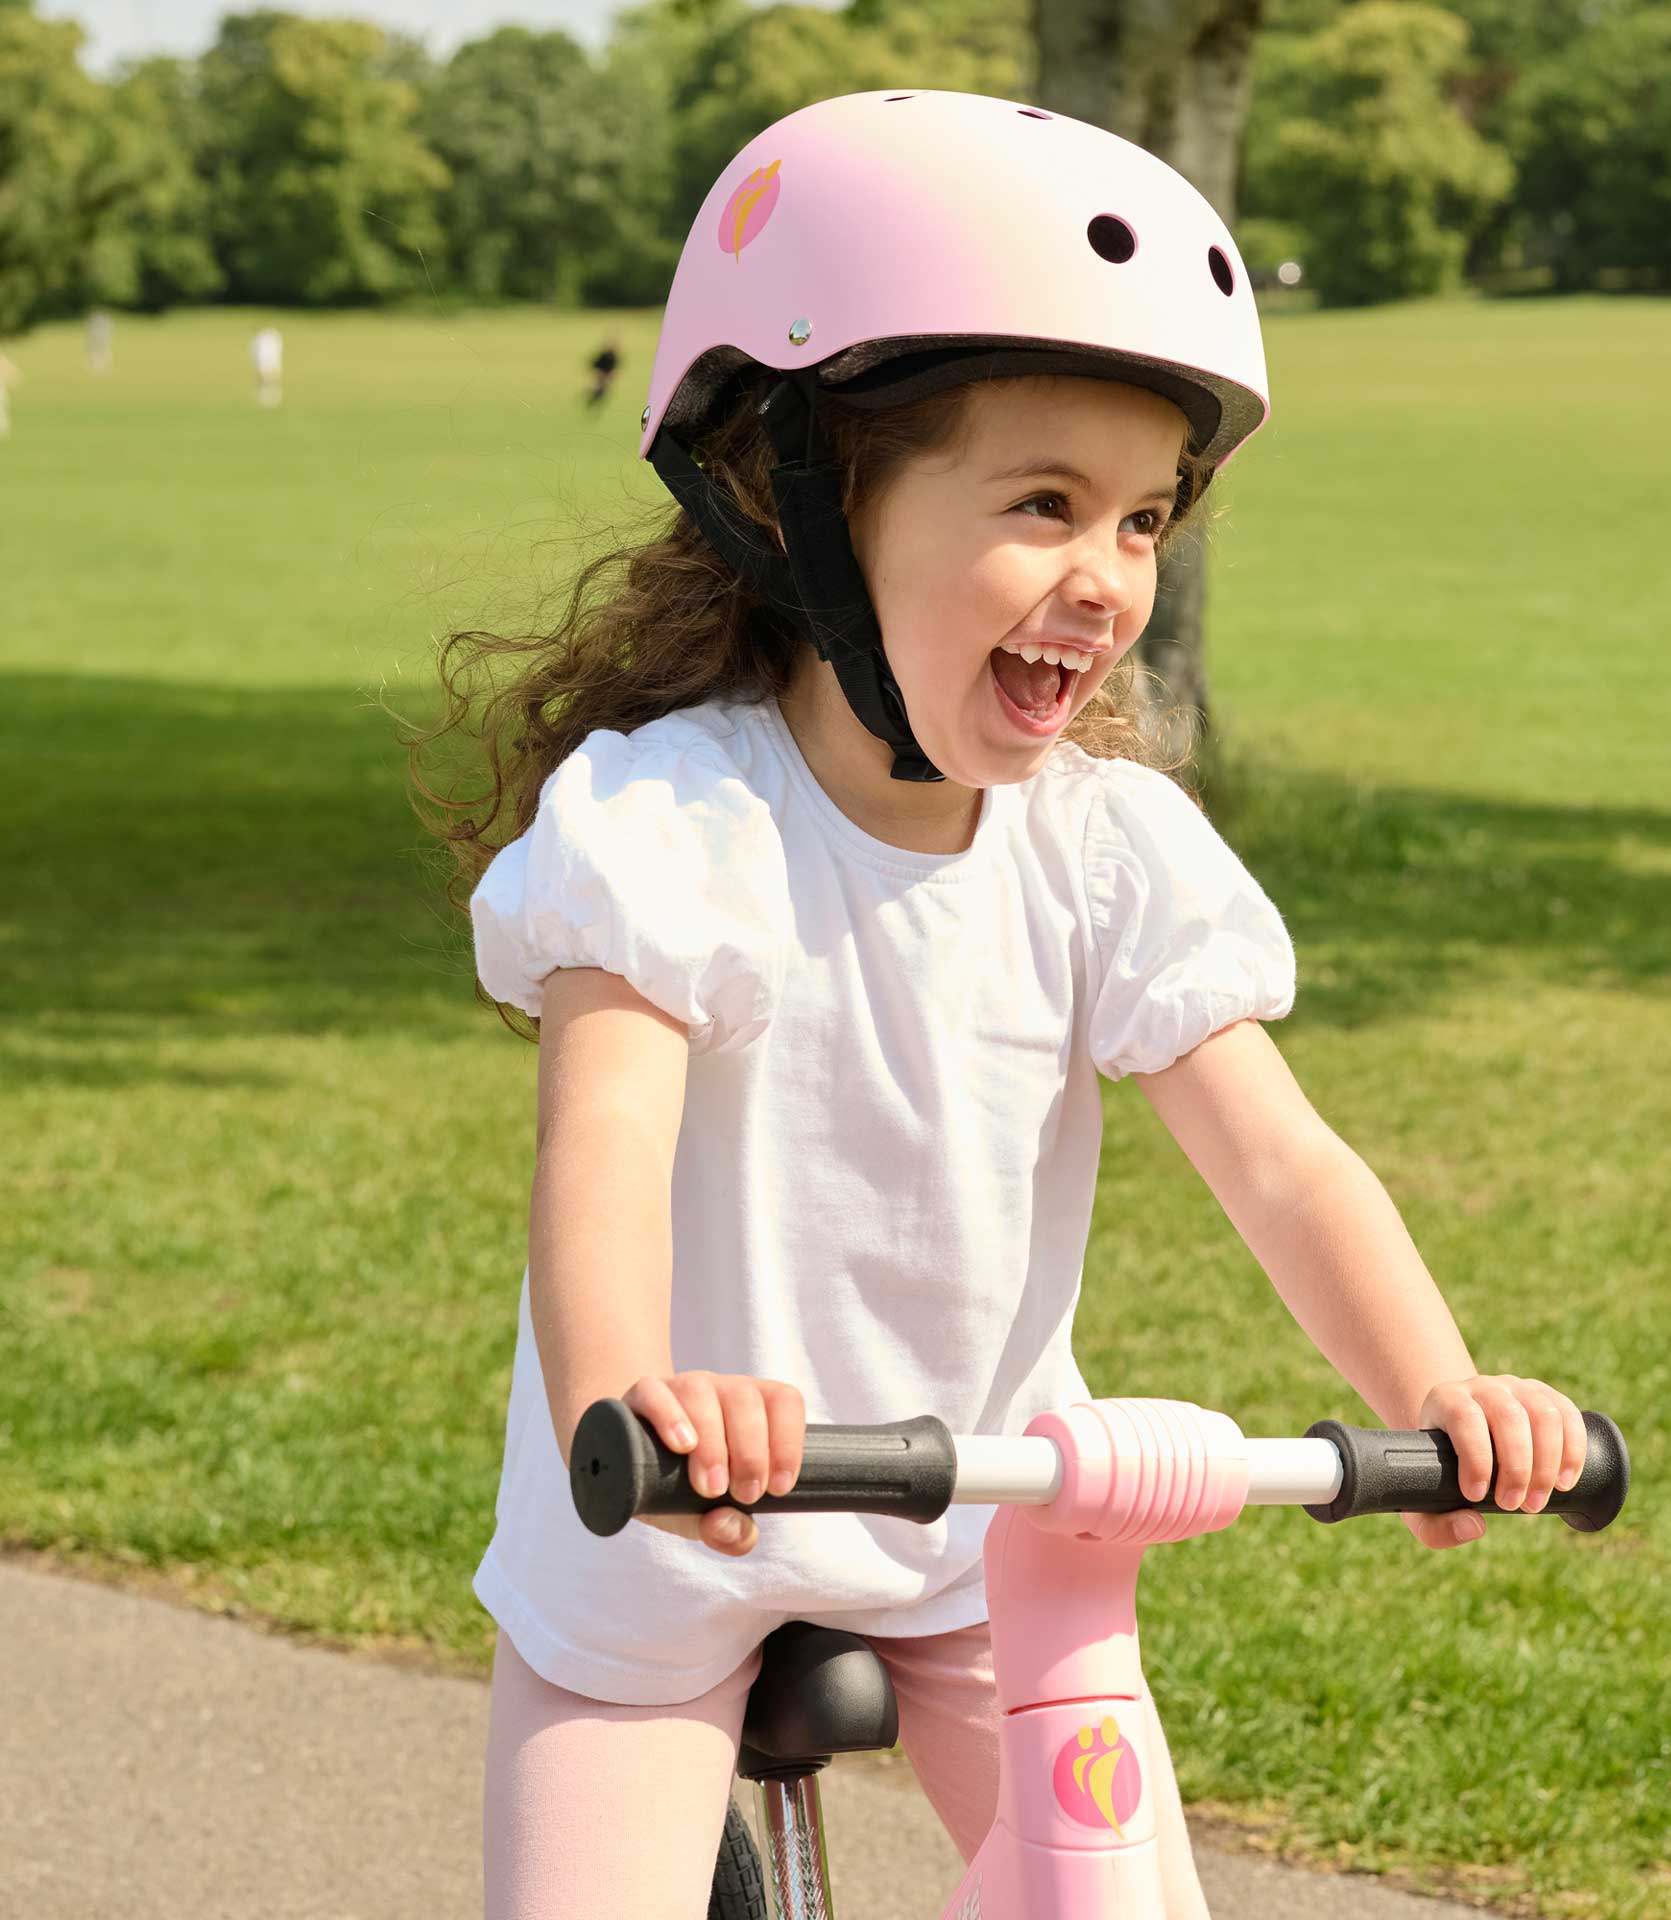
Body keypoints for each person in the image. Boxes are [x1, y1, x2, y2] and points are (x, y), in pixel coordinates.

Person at [410, 90, 1595, 1920]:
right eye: (1040, 503)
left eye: (1140, 522)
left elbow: (1281, 1161)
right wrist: (633, 1399)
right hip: (669, 1536)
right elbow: (606, 1150)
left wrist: (1436, 1392)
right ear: (802, 497)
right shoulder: (672, 822)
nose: (1106, 580)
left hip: (984, 1544)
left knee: (1116, 1893)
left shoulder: (1104, 850)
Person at [584, 334, 621, 409]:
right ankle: (597, 391)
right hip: (602, 371)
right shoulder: (604, 354)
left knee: (603, 385)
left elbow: (615, 366)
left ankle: (598, 391)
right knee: (601, 384)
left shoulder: (613, 355)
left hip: (606, 372)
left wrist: (613, 372)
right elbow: (596, 363)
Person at [249, 324, 282, 407]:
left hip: (268, 359)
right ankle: (266, 394)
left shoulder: (271, 339)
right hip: (265, 359)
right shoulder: (260, 340)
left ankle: (271, 394)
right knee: (265, 376)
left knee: (269, 376)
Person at [85, 308, 113, 375]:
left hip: (99, 338)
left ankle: (101, 364)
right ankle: (96, 364)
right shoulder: (94, 324)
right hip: (96, 338)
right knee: (96, 351)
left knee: (102, 350)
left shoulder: (102, 323)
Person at [0, 350, 18, 438]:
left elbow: (14, 374)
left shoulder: (2, 361)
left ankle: (3, 431)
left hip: (1, 389)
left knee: (1, 412)